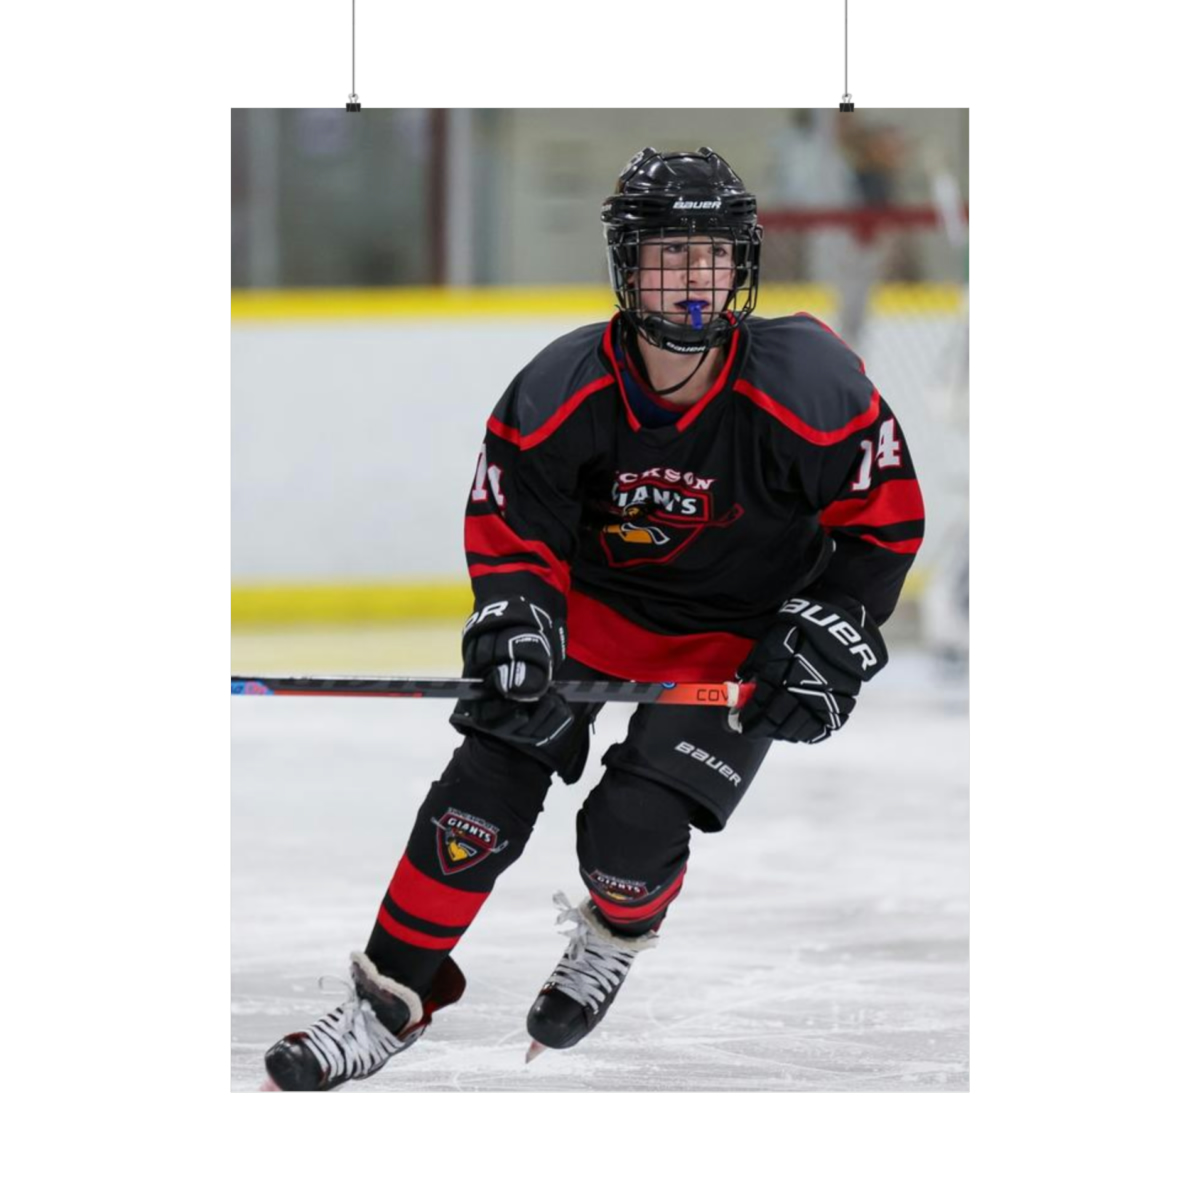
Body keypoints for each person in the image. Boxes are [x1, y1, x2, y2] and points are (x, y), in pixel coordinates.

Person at [263, 147, 925, 1091]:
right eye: (670, 254)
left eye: (714, 254)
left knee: (628, 835)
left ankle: (616, 932)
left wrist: (831, 624)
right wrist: (519, 618)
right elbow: (513, 532)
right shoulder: (560, 386)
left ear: (742, 264)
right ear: (627, 264)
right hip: (590, 616)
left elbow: (882, 526)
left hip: (733, 637)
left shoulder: (810, 383)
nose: (694, 278)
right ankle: (387, 1004)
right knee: (482, 789)